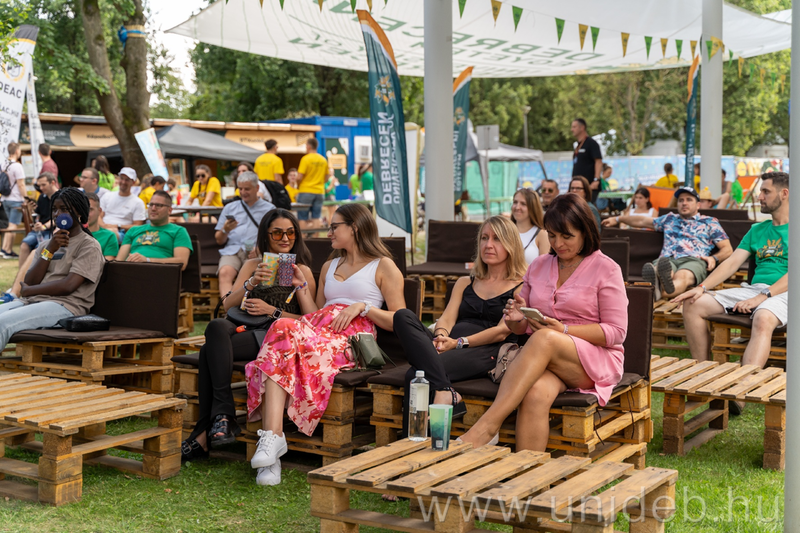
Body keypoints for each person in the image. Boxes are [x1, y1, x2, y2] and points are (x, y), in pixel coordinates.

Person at [244, 203, 405, 485]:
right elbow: (313, 312)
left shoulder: (383, 266)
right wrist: (301, 287)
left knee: (279, 350)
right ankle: (273, 438)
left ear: (354, 228)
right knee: (281, 329)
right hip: (317, 329)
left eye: (334, 227)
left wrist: (363, 307)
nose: (328, 232)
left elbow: (401, 320)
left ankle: (271, 447)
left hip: (350, 338)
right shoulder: (330, 265)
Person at [459, 194, 627, 451]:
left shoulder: (607, 268)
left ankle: (487, 427)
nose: (558, 243)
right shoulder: (538, 265)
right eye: (552, 235)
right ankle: (527, 470)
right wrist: (516, 320)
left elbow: (616, 332)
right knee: (535, 392)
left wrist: (564, 330)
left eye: (567, 236)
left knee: (546, 338)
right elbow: (523, 327)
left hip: (595, 360)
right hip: (545, 358)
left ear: (585, 232)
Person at [181, 209, 316, 462]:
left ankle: (207, 430)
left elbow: (310, 320)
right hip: (243, 326)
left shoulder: (301, 271)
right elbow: (227, 304)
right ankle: (223, 418)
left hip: (273, 336)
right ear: (266, 235)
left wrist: (273, 310)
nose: (285, 238)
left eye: (290, 233)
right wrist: (251, 283)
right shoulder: (252, 265)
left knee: (208, 351)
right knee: (216, 326)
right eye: (277, 233)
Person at [392, 216, 526, 435]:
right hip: (450, 344)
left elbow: (502, 332)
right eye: (484, 238)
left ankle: (417, 439)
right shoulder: (466, 282)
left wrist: (458, 343)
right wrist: (441, 337)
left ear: (511, 245)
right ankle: (445, 391)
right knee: (402, 316)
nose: (488, 245)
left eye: (497, 239)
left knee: (416, 375)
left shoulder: (520, 287)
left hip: (487, 350)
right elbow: (447, 318)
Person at [673, 172, 789, 414]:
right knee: (694, 303)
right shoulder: (758, 230)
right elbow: (732, 263)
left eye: (765, 192)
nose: (760, 196)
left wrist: (763, 296)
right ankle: (706, 377)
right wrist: (701, 288)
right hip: (756, 289)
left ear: (784, 194)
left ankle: (741, 391)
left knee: (763, 317)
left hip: (787, 292)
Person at [0, 189, 104, 351]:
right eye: (54, 209)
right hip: (33, 302)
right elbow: (30, 281)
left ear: (79, 211)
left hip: (66, 307)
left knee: (2, 322)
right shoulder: (46, 245)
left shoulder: (89, 246)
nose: (57, 214)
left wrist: (30, 291)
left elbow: (69, 285)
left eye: (64, 209)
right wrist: (49, 250)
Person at [603, 186, 732, 300]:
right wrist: (617, 219)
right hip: (667, 259)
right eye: (681, 200)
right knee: (661, 270)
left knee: (682, 276)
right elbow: (642, 221)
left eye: (689, 200)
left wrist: (714, 258)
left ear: (698, 205)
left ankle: (657, 291)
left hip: (694, 259)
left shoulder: (709, 222)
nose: (684, 203)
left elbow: (727, 249)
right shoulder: (669, 219)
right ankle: (657, 284)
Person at [215, 172, 276, 297]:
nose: (243, 192)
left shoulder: (269, 209)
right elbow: (219, 240)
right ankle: (228, 306)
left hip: (256, 251)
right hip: (233, 250)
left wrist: (260, 248)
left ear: (257, 188)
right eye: (240, 189)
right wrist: (225, 230)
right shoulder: (230, 207)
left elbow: (275, 237)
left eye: (247, 189)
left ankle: (242, 306)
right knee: (224, 272)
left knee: (252, 276)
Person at [116, 190, 192, 270]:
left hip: (158, 273)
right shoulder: (134, 230)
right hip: (129, 272)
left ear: (169, 210)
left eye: (158, 205)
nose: (153, 208)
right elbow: (119, 261)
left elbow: (182, 263)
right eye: (151, 205)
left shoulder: (178, 231)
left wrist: (147, 260)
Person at [19, 172, 60, 266]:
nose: (41, 188)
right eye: (39, 185)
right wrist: (31, 211)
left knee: (40, 247)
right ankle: (22, 273)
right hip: (40, 230)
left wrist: (44, 226)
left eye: (43, 185)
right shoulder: (42, 197)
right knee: (24, 245)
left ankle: (37, 272)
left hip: (53, 230)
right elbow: (37, 216)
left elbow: (59, 217)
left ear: (52, 183)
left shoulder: (61, 197)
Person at [99, 167, 146, 241]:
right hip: (103, 228)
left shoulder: (138, 202)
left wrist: (118, 226)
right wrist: (103, 226)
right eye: (122, 178)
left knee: (110, 235)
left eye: (127, 180)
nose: (123, 182)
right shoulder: (107, 196)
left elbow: (138, 226)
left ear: (133, 183)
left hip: (122, 233)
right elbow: (98, 215)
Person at [1, 142, 27, 258]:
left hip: (5, 198)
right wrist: (25, 198)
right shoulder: (17, 166)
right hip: (16, 198)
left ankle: (6, 249)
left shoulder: (3, 164)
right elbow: (21, 184)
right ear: (17, 151)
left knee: (9, 225)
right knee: (13, 225)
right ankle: (6, 250)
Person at [295, 138, 328, 228]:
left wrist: (298, 185)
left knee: (302, 216)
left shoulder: (305, 159)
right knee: (316, 216)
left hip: (306, 190)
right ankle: (315, 235)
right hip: (319, 191)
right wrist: (319, 182)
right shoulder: (323, 159)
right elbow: (327, 177)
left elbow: (299, 177)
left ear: (309, 146)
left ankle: (303, 236)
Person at [511, 188, 549, 263]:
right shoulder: (505, 231)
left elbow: (545, 266)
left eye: (523, 204)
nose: (517, 207)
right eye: (515, 202)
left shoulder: (542, 234)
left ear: (533, 207)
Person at [570, 118, 602, 202]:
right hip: (578, 186)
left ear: (582, 127)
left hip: (588, 186)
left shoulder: (591, 143)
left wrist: (596, 180)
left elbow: (598, 162)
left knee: (587, 207)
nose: (572, 129)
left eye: (574, 127)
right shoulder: (578, 145)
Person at [85, 193, 119, 260]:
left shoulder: (109, 236)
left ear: (99, 211)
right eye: (83, 209)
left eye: (90, 209)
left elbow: (107, 263)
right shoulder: (72, 233)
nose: (85, 213)